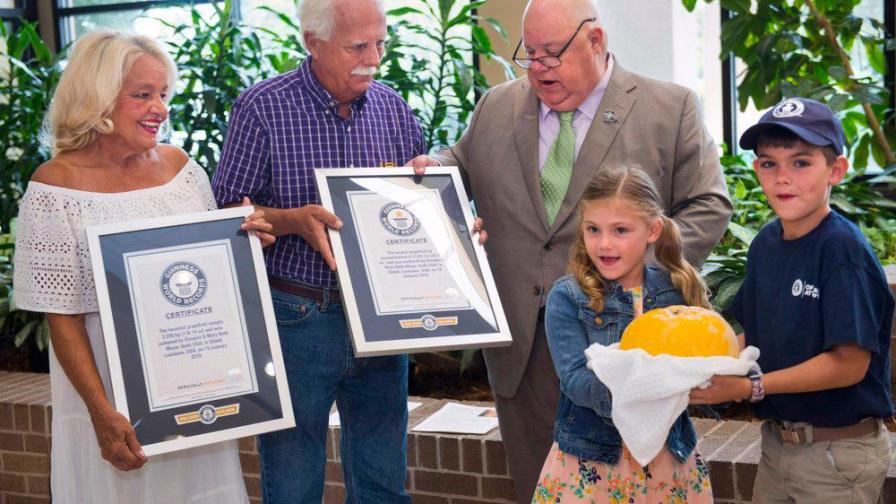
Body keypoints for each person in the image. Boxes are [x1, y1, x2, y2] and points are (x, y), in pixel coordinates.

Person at [406, 0, 732, 498]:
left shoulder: (671, 106)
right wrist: (425, 175)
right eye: (529, 54)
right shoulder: (495, 105)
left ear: (596, 41)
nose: (538, 69)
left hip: (629, 344)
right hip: (522, 345)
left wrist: (635, 275)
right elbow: (456, 167)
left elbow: (709, 205)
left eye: (551, 54)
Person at [212, 0, 473, 501]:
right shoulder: (261, 107)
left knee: (383, 479)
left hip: (382, 319)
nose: (373, 58)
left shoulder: (392, 107)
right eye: (358, 46)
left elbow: (412, 214)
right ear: (312, 43)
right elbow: (229, 214)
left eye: (381, 43)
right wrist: (293, 221)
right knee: (293, 480)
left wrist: (448, 222)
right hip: (299, 315)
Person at [12, 31, 273, 503]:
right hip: (107, 391)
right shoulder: (54, 188)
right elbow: (61, 316)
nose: (160, 108)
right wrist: (100, 411)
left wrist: (244, 239)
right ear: (98, 97)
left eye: (164, 94)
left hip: (190, 386)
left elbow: (208, 274)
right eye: (143, 94)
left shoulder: (179, 168)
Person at [689, 97, 895, 503]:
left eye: (801, 163)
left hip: (836, 455)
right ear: (756, 170)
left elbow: (850, 364)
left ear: (836, 170)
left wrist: (749, 389)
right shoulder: (766, 243)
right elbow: (749, 333)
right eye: (769, 163)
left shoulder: (842, 250)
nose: (783, 178)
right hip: (777, 445)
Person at [532, 166, 713, 503]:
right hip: (590, 462)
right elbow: (574, 380)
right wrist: (640, 390)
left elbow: (703, 365)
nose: (604, 243)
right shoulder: (568, 296)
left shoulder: (675, 291)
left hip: (668, 461)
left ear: (653, 230)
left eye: (620, 230)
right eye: (593, 229)